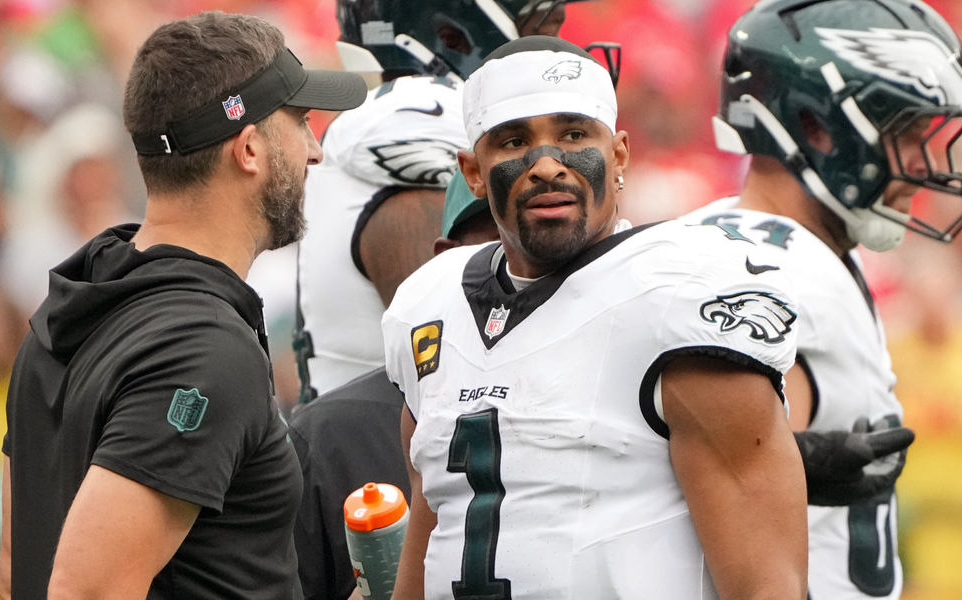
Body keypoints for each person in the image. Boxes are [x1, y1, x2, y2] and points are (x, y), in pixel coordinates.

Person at [383, 35, 809, 599]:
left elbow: (766, 586)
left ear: (620, 155)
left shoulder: (678, 296)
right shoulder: (428, 302)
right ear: (473, 172)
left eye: (574, 135)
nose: (547, 165)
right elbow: (433, 515)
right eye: (513, 141)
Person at [0, 11, 366, 599]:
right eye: (300, 122)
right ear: (249, 149)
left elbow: (20, 574)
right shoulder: (203, 348)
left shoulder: (65, 314)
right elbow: (83, 591)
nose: (315, 150)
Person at [680, 0, 962, 598]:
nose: (921, 163)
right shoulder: (781, 275)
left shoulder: (772, 247)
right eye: (907, 135)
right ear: (815, 125)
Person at [294, 0, 616, 404]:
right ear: (452, 34)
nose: (558, 53)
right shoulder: (418, 110)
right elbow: (457, 349)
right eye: (544, 30)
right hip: (381, 446)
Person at [290, 174, 497, 600]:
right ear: (446, 259)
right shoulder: (330, 434)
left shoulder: (630, 396)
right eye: (500, 246)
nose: (525, 270)